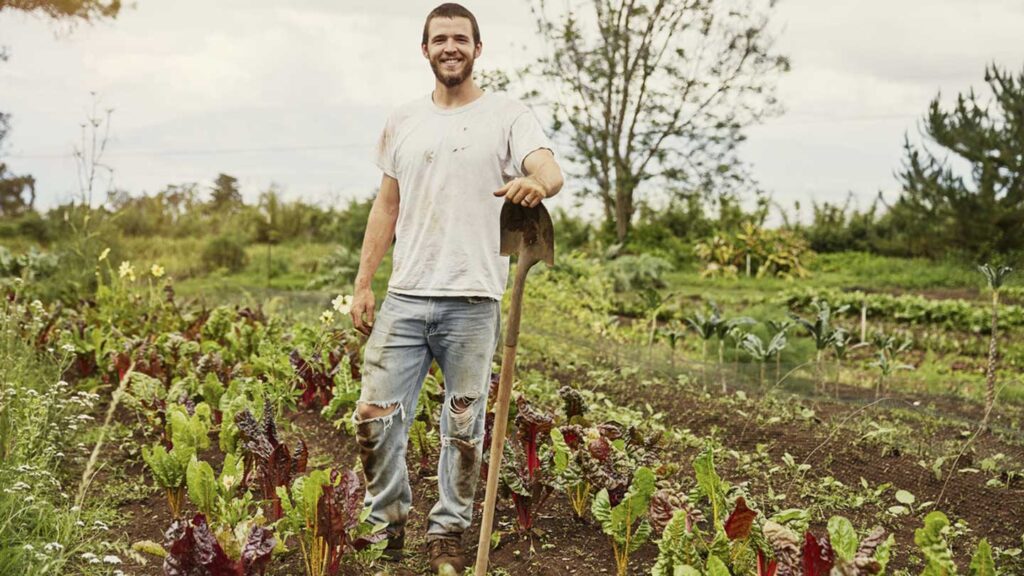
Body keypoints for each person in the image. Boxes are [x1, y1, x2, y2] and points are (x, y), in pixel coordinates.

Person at [347, 2, 564, 572]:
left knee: (463, 424)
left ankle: (447, 530)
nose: (450, 47)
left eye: (460, 39)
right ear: (425, 50)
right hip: (406, 295)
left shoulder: (508, 115)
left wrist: (533, 184)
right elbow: (386, 205)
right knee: (375, 414)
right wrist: (364, 282)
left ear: (477, 49)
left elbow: (550, 170)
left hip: (474, 300)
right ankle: (386, 520)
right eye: (439, 38)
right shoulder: (403, 120)